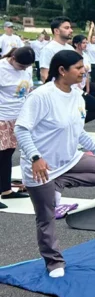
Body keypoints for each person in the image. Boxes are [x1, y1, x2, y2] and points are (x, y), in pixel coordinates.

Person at [15, 50, 95, 278]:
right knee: (46, 218)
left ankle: (59, 184)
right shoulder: (42, 96)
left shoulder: (77, 95)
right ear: (62, 70)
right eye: (78, 68)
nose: (84, 71)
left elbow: (78, 130)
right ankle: (53, 261)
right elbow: (21, 129)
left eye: (83, 67)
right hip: (41, 168)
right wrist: (35, 158)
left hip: (69, 160)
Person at [41, 17, 95, 124]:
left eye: (70, 27)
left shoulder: (70, 49)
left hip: (75, 91)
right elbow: (44, 74)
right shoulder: (49, 49)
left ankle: (75, 124)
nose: (71, 30)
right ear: (56, 31)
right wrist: (52, 94)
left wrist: (80, 87)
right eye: (66, 28)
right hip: (58, 92)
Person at [0, 46, 35, 209]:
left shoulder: (26, 69)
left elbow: (28, 90)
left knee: (7, 154)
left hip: (16, 117)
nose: (23, 69)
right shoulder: (2, 68)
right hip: (2, 117)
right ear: (13, 58)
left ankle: (5, 190)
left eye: (26, 67)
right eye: (21, 66)